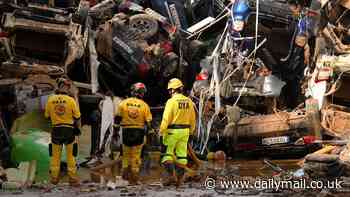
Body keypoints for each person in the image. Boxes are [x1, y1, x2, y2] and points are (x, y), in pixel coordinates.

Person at [45, 78, 81, 187]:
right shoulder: (70, 100)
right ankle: (73, 180)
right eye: (68, 87)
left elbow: (47, 116)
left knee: (55, 156)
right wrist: (77, 128)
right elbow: (77, 116)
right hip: (69, 130)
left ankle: (54, 179)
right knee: (71, 156)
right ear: (65, 87)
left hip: (56, 130)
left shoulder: (50, 99)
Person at [160, 78, 196, 187]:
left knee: (167, 156)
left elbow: (166, 119)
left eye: (170, 90)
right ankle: (179, 181)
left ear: (172, 90)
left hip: (172, 131)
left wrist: (161, 131)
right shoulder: (189, 101)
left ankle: (172, 177)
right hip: (185, 131)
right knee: (182, 156)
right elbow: (192, 119)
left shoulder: (171, 102)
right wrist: (191, 131)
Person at [115, 82, 153, 184]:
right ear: (141, 93)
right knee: (136, 155)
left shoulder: (123, 103)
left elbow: (117, 119)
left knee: (126, 154)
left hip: (126, 131)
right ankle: (134, 178)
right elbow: (149, 123)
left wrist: (115, 132)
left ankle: (124, 177)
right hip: (138, 132)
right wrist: (150, 135)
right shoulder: (144, 105)